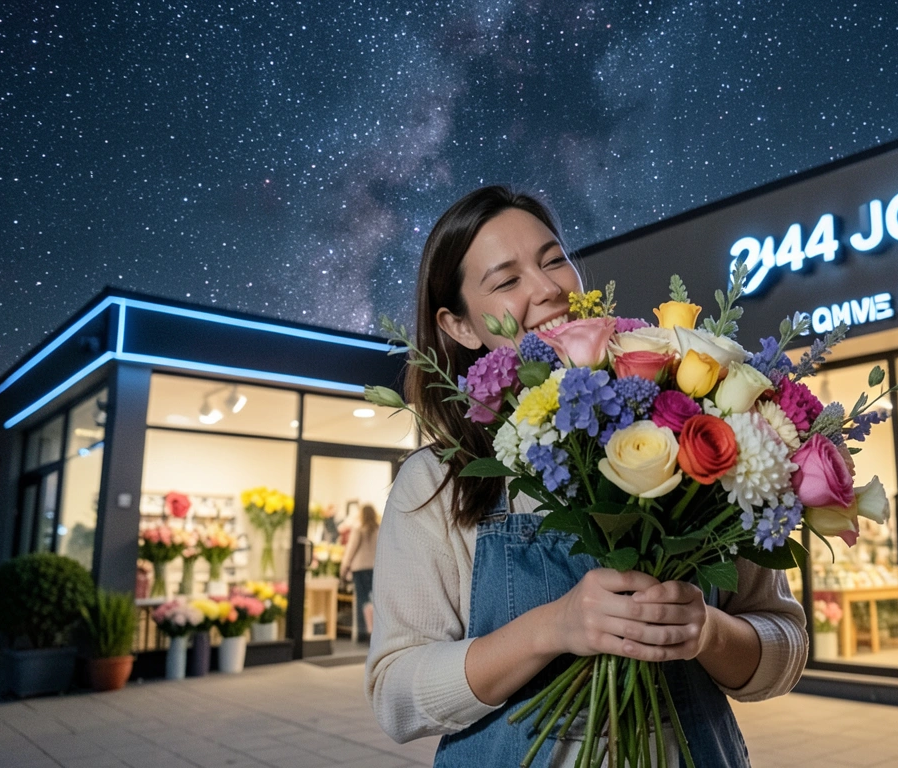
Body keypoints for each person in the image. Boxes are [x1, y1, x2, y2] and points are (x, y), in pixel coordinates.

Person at [364, 186, 807, 766]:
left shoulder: (691, 432)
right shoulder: (436, 484)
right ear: (460, 326)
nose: (547, 288)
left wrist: (707, 631)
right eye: (505, 280)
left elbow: (785, 643)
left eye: (553, 261)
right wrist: (553, 627)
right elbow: (396, 696)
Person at [341, 503, 379, 641]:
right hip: (374, 568)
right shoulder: (379, 529)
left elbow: (350, 550)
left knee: (362, 600)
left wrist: (344, 568)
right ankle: (373, 631)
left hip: (359, 569)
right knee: (373, 600)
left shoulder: (358, 529)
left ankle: (362, 633)